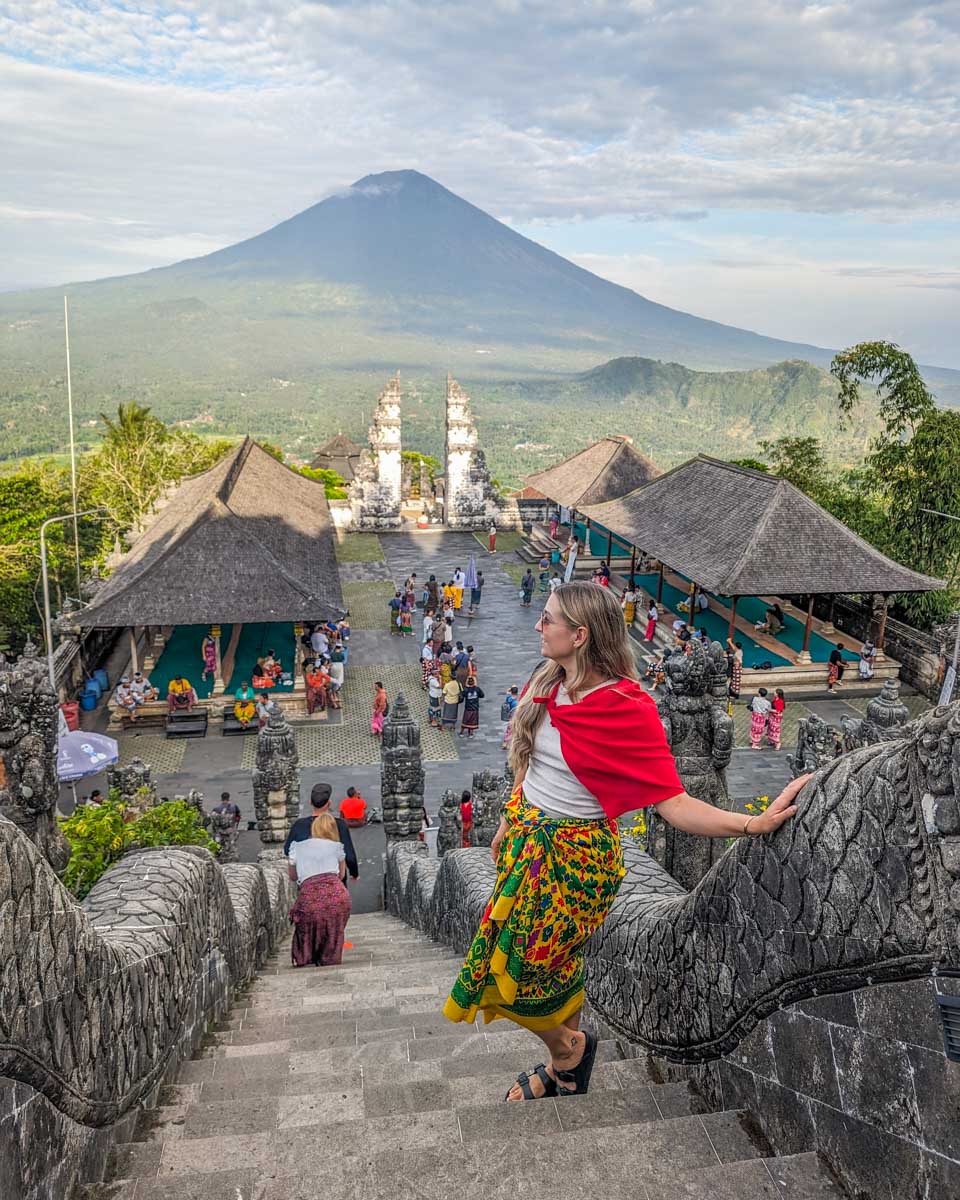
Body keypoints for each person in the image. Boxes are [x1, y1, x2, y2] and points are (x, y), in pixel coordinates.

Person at [443, 582, 804, 1102]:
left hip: (575, 860)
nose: (538, 627)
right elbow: (530, 758)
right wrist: (507, 817)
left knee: (515, 972)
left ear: (581, 635)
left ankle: (569, 1049)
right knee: (553, 963)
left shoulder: (627, 709)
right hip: (527, 840)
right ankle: (563, 1064)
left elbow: (673, 802)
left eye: (548, 620)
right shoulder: (549, 678)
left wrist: (751, 824)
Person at [287, 812, 352, 967]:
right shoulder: (337, 847)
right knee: (333, 930)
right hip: (337, 896)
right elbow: (341, 875)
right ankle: (329, 957)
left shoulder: (297, 847)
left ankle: (307, 955)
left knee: (307, 926)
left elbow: (293, 875)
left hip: (310, 897)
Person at [284, 781, 359, 879]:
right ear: (329, 803)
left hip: (308, 880)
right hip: (334, 880)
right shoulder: (339, 824)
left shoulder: (299, 825)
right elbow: (349, 857)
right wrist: (354, 874)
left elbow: (287, 850)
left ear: (310, 802)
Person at [501, 684, 519, 748]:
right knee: (513, 729)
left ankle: (506, 743)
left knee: (509, 729)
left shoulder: (508, 698)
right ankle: (508, 743)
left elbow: (507, 692)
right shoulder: (518, 699)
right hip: (515, 716)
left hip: (510, 715)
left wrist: (511, 688)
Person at [726, 638, 744, 703]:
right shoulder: (740, 651)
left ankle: (735, 694)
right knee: (734, 681)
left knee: (735, 682)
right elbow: (734, 648)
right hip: (737, 668)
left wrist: (738, 664)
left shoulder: (737, 653)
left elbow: (740, 661)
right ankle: (733, 693)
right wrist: (730, 642)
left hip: (737, 669)